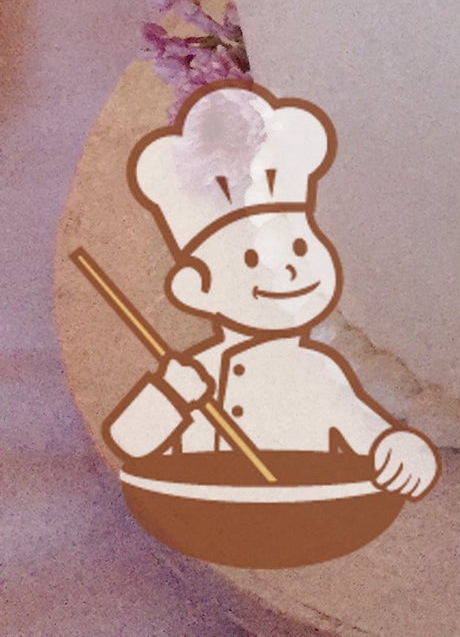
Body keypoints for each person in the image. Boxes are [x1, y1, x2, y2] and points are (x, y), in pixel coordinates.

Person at [103, 81, 439, 500]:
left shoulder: (321, 371)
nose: (291, 269)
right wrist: (171, 395)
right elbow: (130, 441)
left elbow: (369, 435)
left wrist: (400, 450)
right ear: (195, 290)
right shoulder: (197, 373)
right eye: (253, 261)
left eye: (299, 247)